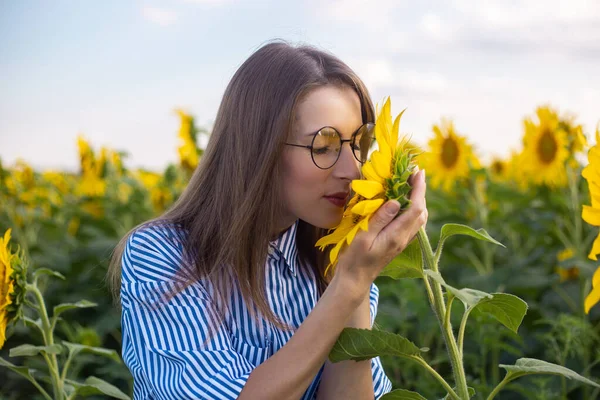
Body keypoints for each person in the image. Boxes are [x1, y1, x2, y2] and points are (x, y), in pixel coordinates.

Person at [107, 40, 428, 400]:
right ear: (260, 148)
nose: (353, 170)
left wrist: (351, 283)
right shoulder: (164, 257)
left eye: (359, 144)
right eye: (323, 146)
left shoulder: (337, 257)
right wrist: (349, 285)